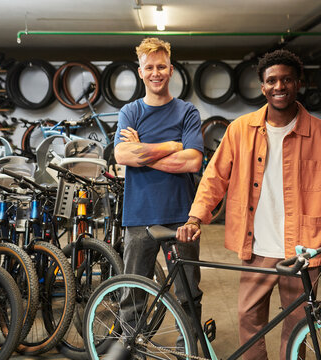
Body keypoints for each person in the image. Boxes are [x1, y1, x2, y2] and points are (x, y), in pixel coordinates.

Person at [176, 49, 321, 360]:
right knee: (249, 319)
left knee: (298, 324)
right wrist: (195, 217)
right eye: (272, 80)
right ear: (262, 86)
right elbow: (214, 178)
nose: (279, 86)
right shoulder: (240, 130)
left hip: (303, 250)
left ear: (299, 83)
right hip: (256, 247)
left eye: (286, 79)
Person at [112, 37, 204, 356]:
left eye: (161, 66)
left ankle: (187, 352)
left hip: (182, 215)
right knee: (132, 293)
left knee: (188, 293)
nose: (156, 73)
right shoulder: (130, 111)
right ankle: (132, 352)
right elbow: (123, 155)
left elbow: (193, 161)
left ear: (171, 69)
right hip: (139, 216)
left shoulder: (187, 111)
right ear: (140, 72)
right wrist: (172, 145)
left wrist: (145, 151)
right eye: (149, 67)